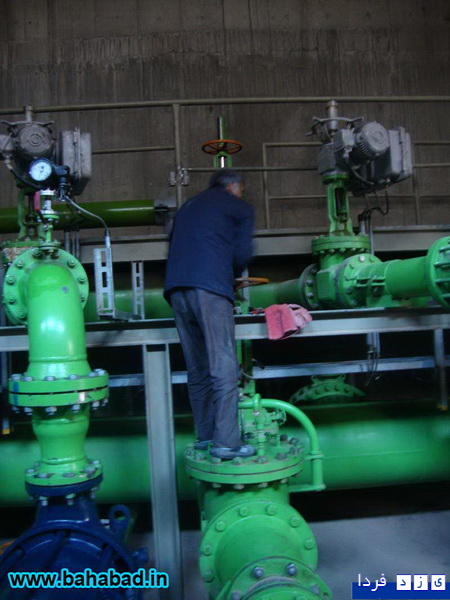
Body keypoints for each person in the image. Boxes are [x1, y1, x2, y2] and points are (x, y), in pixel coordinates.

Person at [164, 169, 255, 460]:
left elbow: (172, 244)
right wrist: (232, 277)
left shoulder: (188, 206)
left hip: (177, 289)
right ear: (234, 186)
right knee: (223, 363)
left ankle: (205, 436)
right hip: (210, 289)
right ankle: (227, 442)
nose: (242, 193)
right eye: (242, 189)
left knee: (198, 368)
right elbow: (242, 253)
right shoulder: (238, 207)